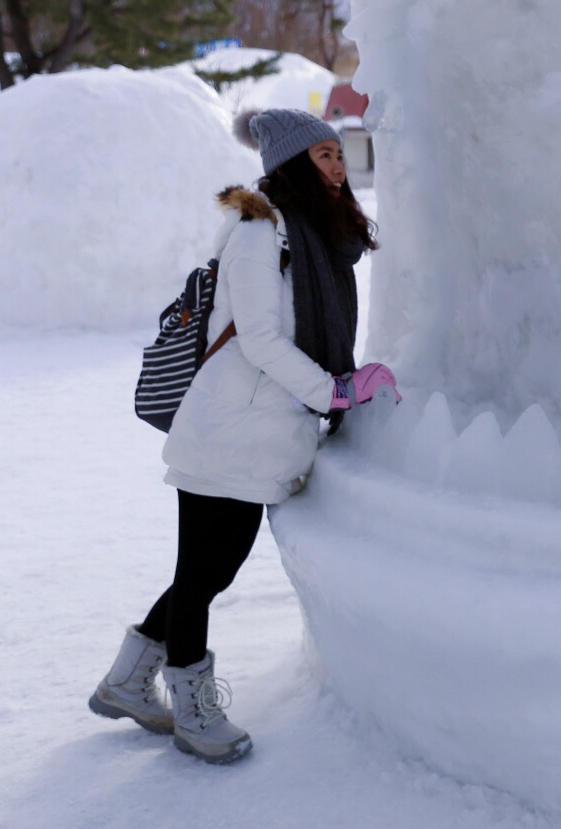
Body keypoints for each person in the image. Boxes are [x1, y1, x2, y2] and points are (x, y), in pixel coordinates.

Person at [89, 109, 394, 762]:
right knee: (203, 574)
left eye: (338, 154)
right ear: (290, 163)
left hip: (262, 434)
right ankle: (194, 711)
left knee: (212, 569)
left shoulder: (310, 232)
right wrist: (335, 392)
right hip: (227, 429)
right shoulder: (263, 231)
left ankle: (126, 680)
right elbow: (258, 340)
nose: (337, 167)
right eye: (322, 157)